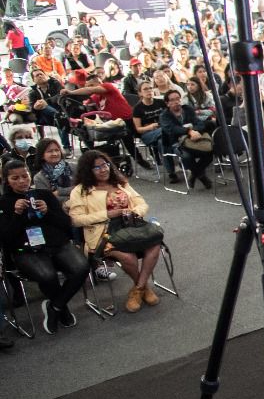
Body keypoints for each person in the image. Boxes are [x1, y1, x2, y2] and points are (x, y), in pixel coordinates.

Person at [66, 150, 163, 313]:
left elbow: (142, 203)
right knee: (127, 256)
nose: (103, 169)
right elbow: (76, 219)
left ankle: (138, 289)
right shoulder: (80, 191)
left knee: (155, 245)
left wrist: (134, 212)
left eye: (105, 165)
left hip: (131, 227)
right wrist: (107, 214)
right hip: (103, 234)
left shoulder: (120, 182)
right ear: (87, 171)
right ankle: (144, 288)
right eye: (97, 168)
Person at [1, 159, 91, 333]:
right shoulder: (4, 203)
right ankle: (62, 309)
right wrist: (17, 215)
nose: (22, 181)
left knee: (81, 267)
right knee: (47, 275)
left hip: (57, 244)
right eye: (15, 178)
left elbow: (66, 224)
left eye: (24, 176)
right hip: (26, 250)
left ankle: (55, 307)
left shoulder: (44, 195)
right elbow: (6, 238)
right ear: (6, 181)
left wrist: (48, 212)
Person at [158, 87, 214, 188]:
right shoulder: (164, 116)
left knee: (209, 152)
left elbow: (200, 124)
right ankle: (201, 176)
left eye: (178, 98)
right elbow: (172, 130)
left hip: (194, 139)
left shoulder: (187, 109)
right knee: (187, 156)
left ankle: (194, 174)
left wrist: (194, 131)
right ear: (167, 103)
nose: (176, 102)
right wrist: (189, 131)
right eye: (172, 100)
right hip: (176, 143)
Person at [30, 138, 74, 204]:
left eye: (57, 150)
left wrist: (59, 192)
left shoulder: (74, 167)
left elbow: (82, 188)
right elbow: (47, 199)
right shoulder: (39, 178)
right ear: (42, 155)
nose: (55, 154)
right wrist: (69, 199)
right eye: (50, 151)